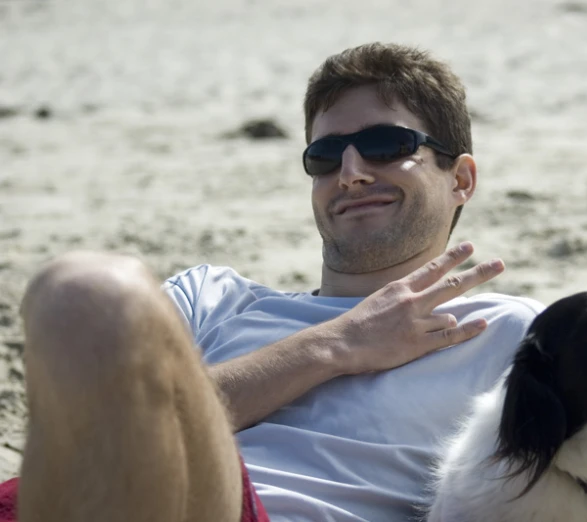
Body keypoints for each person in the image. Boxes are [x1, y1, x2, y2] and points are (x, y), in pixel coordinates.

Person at [2, 43, 542, 522]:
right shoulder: (211, 296)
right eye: (325, 156)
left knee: (85, 290)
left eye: (386, 145)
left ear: (461, 179)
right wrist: (337, 344)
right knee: (83, 299)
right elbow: (99, 438)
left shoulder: (505, 332)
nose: (350, 172)